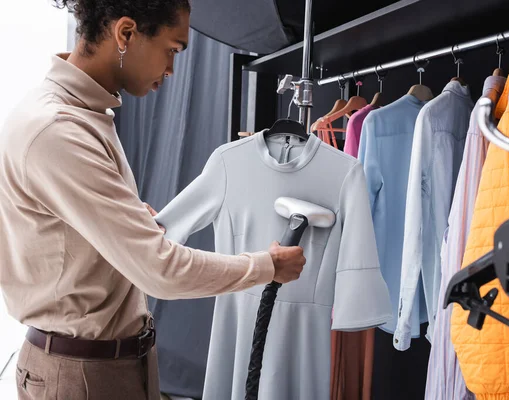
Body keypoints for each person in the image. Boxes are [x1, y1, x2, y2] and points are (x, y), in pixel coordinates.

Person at [0, 1, 306, 399]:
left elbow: (61, 241)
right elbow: (159, 271)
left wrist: (124, 222)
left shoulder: (85, 116)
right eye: (172, 50)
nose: (171, 70)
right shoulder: (60, 130)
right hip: (83, 376)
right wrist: (267, 266)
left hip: (111, 363)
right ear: (126, 34)